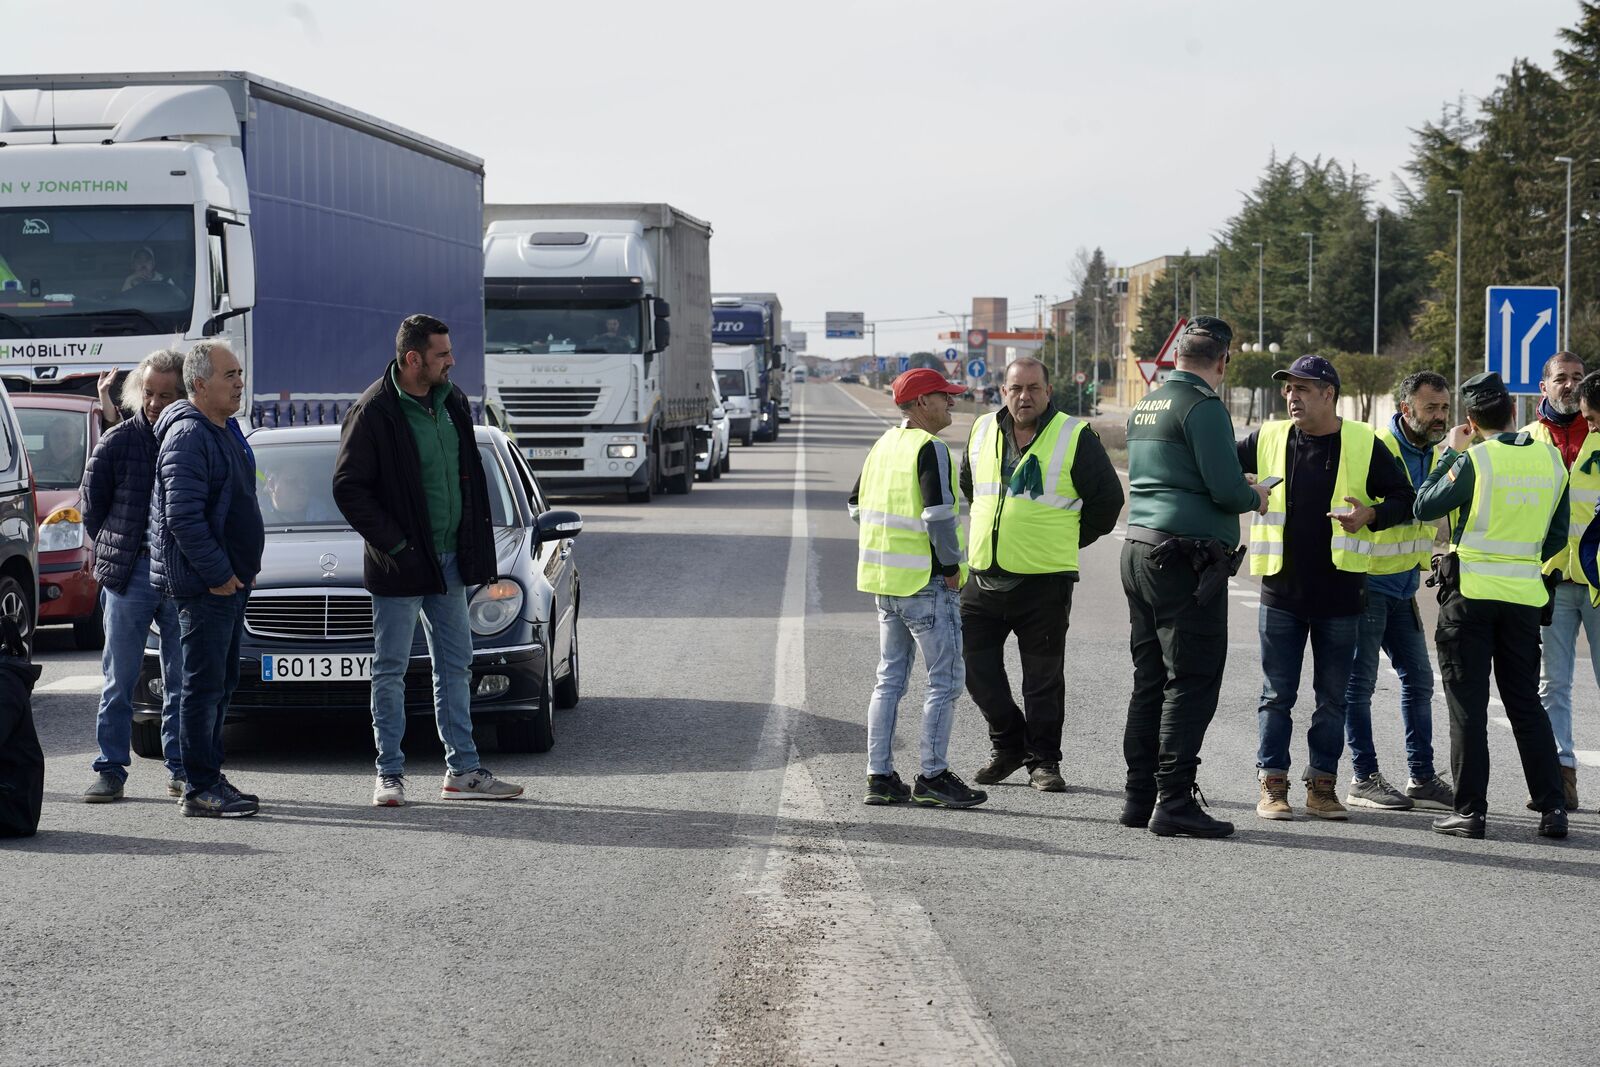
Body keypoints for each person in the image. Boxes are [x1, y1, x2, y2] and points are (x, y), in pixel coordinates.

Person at [333, 314, 524, 806]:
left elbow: (467, 478)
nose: (451, 361)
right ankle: (389, 774)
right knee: (391, 668)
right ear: (412, 358)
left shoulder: (453, 400)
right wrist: (396, 546)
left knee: (456, 666)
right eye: (441, 355)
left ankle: (462, 771)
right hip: (400, 564)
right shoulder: (373, 410)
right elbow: (349, 489)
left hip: (452, 560)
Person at [1240, 355, 1415, 821]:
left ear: (1328, 394)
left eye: (1302, 388)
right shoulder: (1268, 436)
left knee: (1331, 699)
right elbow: (1221, 470)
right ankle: (1272, 785)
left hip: (1341, 595)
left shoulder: (1365, 441)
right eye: (1288, 389)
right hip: (1281, 591)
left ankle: (1322, 787)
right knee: (1276, 695)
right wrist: (1241, 486)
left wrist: (1370, 515)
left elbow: (1405, 498)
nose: (1291, 396)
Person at [1121, 317, 1268, 838]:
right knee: (1193, 677)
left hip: (1141, 547)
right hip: (1183, 560)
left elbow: (1180, 474)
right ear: (1222, 362)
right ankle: (1174, 800)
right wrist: (1256, 495)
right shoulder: (1203, 406)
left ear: (1176, 356)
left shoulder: (1149, 402)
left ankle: (1139, 796)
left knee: (1151, 678)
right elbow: (1227, 492)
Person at [1414, 372, 1569, 840]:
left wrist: (1452, 454)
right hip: (1524, 598)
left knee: (1468, 707)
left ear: (1470, 420)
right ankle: (1552, 808)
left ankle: (1470, 812)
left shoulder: (1475, 459)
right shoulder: (1552, 460)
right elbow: (1557, 537)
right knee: (1525, 704)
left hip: (1471, 599)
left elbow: (1425, 504)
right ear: (1515, 413)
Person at [960, 356, 1124, 792]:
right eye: (1016, 388)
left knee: (1043, 680)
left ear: (1048, 392)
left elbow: (1107, 504)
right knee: (976, 670)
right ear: (1003, 392)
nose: (1024, 396)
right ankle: (1009, 744)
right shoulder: (981, 431)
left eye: (1033, 388)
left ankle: (1043, 761)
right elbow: (969, 487)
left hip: (1044, 582)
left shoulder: (1075, 436)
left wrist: (1062, 539)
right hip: (983, 575)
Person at [847, 368, 985, 809]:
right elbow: (940, 516)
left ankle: (881, 776)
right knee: (944, 680)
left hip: (884, 583)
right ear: (923, 402)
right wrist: (950, 565)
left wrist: (887, 543)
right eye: (945, 396)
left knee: (889, 680)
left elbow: (855, 507)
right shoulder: (932, 448)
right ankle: (933, 775)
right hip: (925, 583)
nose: (952, 403)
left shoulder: (883, 446)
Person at [149, 341, 262, 818]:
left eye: (239, 372)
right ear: (199, 384)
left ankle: (210, 775)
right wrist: (218, 575)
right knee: (201, 685)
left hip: (230, 585)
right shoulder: (189, 436)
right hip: (206, 587)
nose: (239, 382)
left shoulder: (225, 428)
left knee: (221, 682)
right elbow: (183, 518)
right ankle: (198, 787)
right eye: (229, 374)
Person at [1340, 371, 1457, 812]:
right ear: (1406, 409)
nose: (1440, 416)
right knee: (1359, 686)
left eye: (1444, 408)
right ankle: (1363, 777)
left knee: (1420, 681)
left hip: (1404, 586)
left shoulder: (1435, 452)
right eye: (1431, 408)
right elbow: (1401, 506)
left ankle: (1421, 777)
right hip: (1369, 583)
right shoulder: (1378, 448)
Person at [80, 348, 188, 802]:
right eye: (149, 393)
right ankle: (110, 769)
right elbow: (92, 506)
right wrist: (119, 551)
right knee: (119, 677)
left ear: (184, 393)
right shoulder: (119, 440)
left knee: (183, 679)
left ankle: (182, 769)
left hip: (182, 577)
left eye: (166, 394)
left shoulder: (193, 437)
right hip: (132, 574)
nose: (155, 402)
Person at [1522, 352, 1598, 810]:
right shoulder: (1527, 441)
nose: (1569, 386)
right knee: (1554, 685)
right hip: (1549, 580)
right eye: (1560, 379)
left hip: (1597, 581)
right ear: (1543, 386)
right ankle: (1561, 776)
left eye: (1576, 378)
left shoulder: (1599, 427)